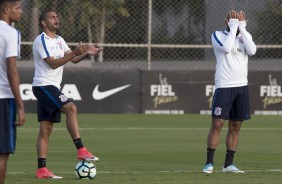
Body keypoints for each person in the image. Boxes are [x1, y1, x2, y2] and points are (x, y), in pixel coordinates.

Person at [32, 10, 102, 179]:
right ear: (43, 22)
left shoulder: (59, 40)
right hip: (44, 85)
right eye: (52, 17)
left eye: (57, 16)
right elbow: (53, 64)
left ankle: (42, 169)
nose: (56, 19)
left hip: (52, 86)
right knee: (71, 108)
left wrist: (86, 53)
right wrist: (74, 53)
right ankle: (81, 150)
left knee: (46, 128)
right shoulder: (41, 40)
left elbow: (73, 59)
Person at [202, 10, 256, 174]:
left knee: (236, 126)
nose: (237, 21)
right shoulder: (217, 35)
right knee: (217, 124)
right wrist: (233, 27)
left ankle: (228, 164)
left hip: (241, 86)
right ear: (227, 22)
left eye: (240, 19)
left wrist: (242, 28)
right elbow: (226, 48)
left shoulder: (244, 36)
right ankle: (209, 163)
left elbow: (252, 50)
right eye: (233, 20)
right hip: (224, 86)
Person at [0, 0, 26, 183]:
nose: (21, 12)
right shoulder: (10, 33)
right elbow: (12, 70)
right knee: (2, 153)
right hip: (3, 98)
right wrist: (20, 106)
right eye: (18, 8)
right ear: (6, 10)